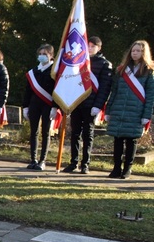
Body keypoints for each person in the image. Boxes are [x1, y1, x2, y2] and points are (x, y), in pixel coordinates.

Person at [101, 40, 154, 179]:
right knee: (117, 139)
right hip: (118, 109)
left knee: (131, 141)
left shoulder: (149, 71)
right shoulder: (121, 70)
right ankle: (116, 168)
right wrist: (108, 110)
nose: (135, 53)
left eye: (138, 51)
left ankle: (127, 169)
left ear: (144, 53)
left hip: (136, 111)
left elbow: (150, 96)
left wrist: (146, 115)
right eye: (133, 51)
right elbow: (114, 91)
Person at [63, 36, 113, 174]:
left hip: (92, 105)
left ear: (99, 48)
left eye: (93, 46)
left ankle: (85, 163)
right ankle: (73, 162)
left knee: (87, 134)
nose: (90, 48)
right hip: (77, 102)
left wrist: (98, 106)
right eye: (88, 45)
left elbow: (104, 88)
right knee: (75, 134)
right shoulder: (78, 61)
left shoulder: (105, 64)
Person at [21, 43, 57, 170]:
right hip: (34, 104)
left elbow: (56, 90)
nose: (42, 57)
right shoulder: (33, 71)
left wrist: (55, 107)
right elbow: (28, 90)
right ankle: (33, 159)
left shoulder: (54, 71)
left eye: (45, 54)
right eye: (40, 54)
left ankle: (43, 160)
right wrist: (25, 106)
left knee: (46, 132)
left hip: (48, 105)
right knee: (34, 132)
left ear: (51, 56)